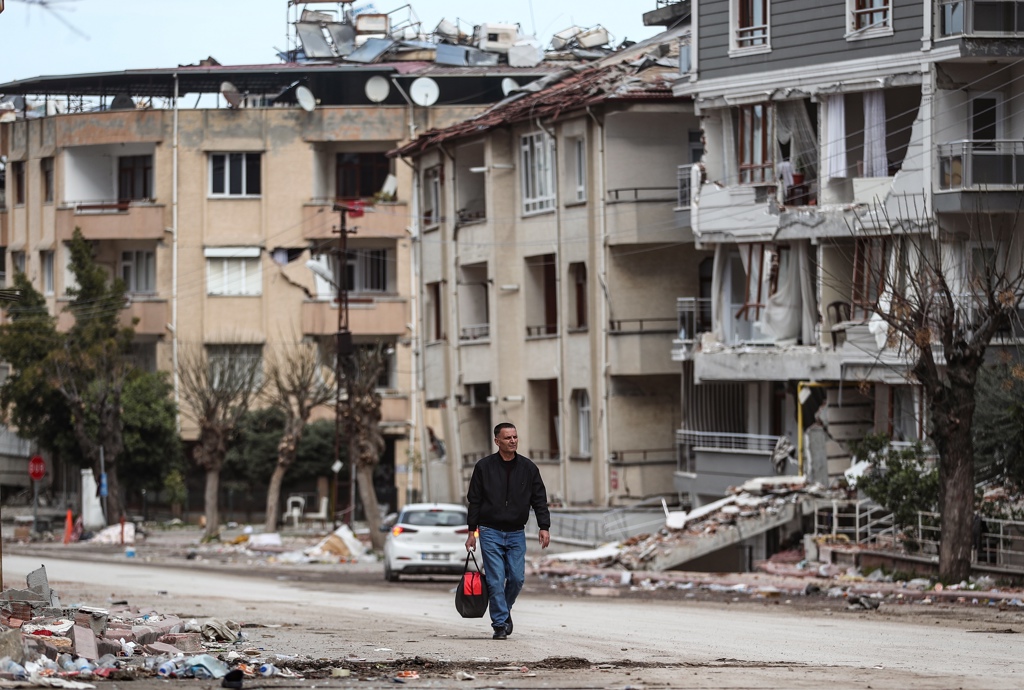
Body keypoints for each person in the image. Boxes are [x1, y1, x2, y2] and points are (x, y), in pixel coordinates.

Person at [465, 422, 551, 640]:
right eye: (507, 438)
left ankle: (504, 609)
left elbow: (539, 498)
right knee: (495, 579)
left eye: (515, 437)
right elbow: (474, 500)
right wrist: (471, 532)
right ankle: (500, 624)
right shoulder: (484, 467)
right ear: (497, 441)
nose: (513, 441)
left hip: (515, 532)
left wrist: (544, 526)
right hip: (489, 530)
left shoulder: (528, 468)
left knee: (517, 578)